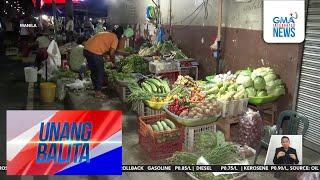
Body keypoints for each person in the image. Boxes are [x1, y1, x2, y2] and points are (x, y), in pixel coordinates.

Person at [83, 26, 124, 98]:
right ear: (120, 34)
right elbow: (112, 53)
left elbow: (101, 45)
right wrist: (113, 62)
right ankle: (98, 92)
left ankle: (96, 88)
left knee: (93, 71)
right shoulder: (115, 38)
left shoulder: (106, 33)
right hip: (94, 52)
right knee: (100, 71)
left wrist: (104, 56)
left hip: (86, 50)